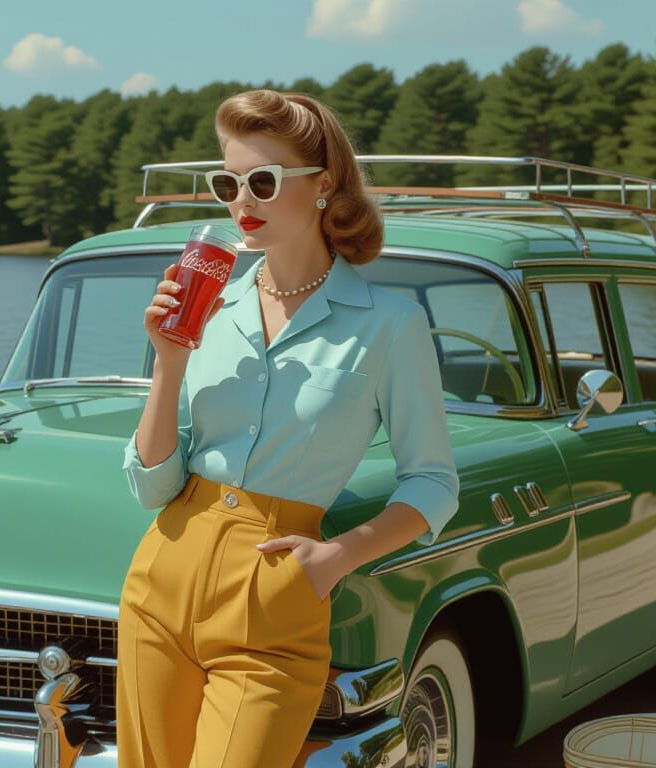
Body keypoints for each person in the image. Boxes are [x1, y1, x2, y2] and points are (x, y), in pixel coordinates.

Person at [116, 88, 460, 768]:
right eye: (228, 183)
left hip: (275, 594)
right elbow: (152, 486)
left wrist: (339, 557)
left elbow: (434, 483)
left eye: (264, 182)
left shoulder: (389, 324)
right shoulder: (208, 306)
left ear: (324, 184)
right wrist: (167, 365)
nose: (242, 202)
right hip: (164, 575)